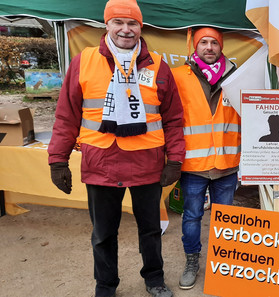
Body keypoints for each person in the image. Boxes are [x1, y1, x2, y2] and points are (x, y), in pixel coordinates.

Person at [47, 0, 185, 296]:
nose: (126, 29)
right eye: (118, 22)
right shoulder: (83, 61)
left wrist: (175, 160)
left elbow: (173, 118)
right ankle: (106, 284)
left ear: (141, 27)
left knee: (150, 230)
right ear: (106, 25)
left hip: (147, 163)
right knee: (103, 234)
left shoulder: (159, 66)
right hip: (101, 163)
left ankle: (154, 278)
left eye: (132, 23)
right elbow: (67, 114)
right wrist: (57, 160)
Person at [171, 27, 240, 290]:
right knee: (191, 217)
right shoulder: (179, 76)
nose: (209, 47)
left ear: (221, 47)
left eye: (214, 43)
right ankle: (192, 261)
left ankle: (225, 264)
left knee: (227, 219)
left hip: (226, 163)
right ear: (195, 47)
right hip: (194, 165)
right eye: (204, 43)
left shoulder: (236, 76)